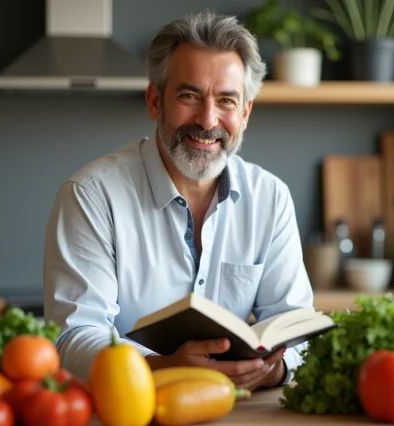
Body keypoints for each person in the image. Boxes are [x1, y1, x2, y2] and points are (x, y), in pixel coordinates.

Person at [42, 10, 314, 390]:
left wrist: (276, 368)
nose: (207, 120)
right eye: (190, 96)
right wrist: (162, 366)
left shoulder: (270, 197)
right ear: (155, 101)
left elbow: (297, 326)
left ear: (246, 112)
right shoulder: (92, 195)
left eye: (226, 101)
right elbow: (73, 338)